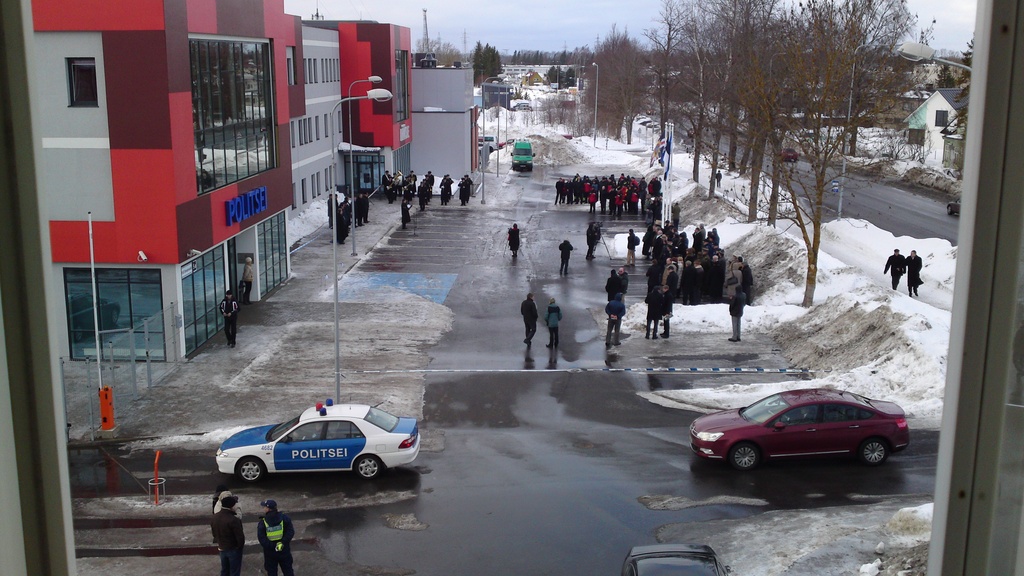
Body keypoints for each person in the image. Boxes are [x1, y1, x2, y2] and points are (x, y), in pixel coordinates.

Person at [257, 499, 295, 576]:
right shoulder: (284, 518)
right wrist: (282, 542)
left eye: (264, 507)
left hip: (270, 553)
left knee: (272, 572)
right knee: (288, 571)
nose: (263, 508)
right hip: (284, 550)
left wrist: (273, 546)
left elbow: (262, 538)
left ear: (268, 509)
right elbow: (290, 532)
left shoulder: (263, 522)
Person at [211, 495, 245, 576]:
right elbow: (240, 537)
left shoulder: (214, 517)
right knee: (234, 572)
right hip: (233, 549)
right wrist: (239, 547)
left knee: (224, 570)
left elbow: (214, 534)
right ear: (232, 506)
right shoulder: (234, 520)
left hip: (222, 547)